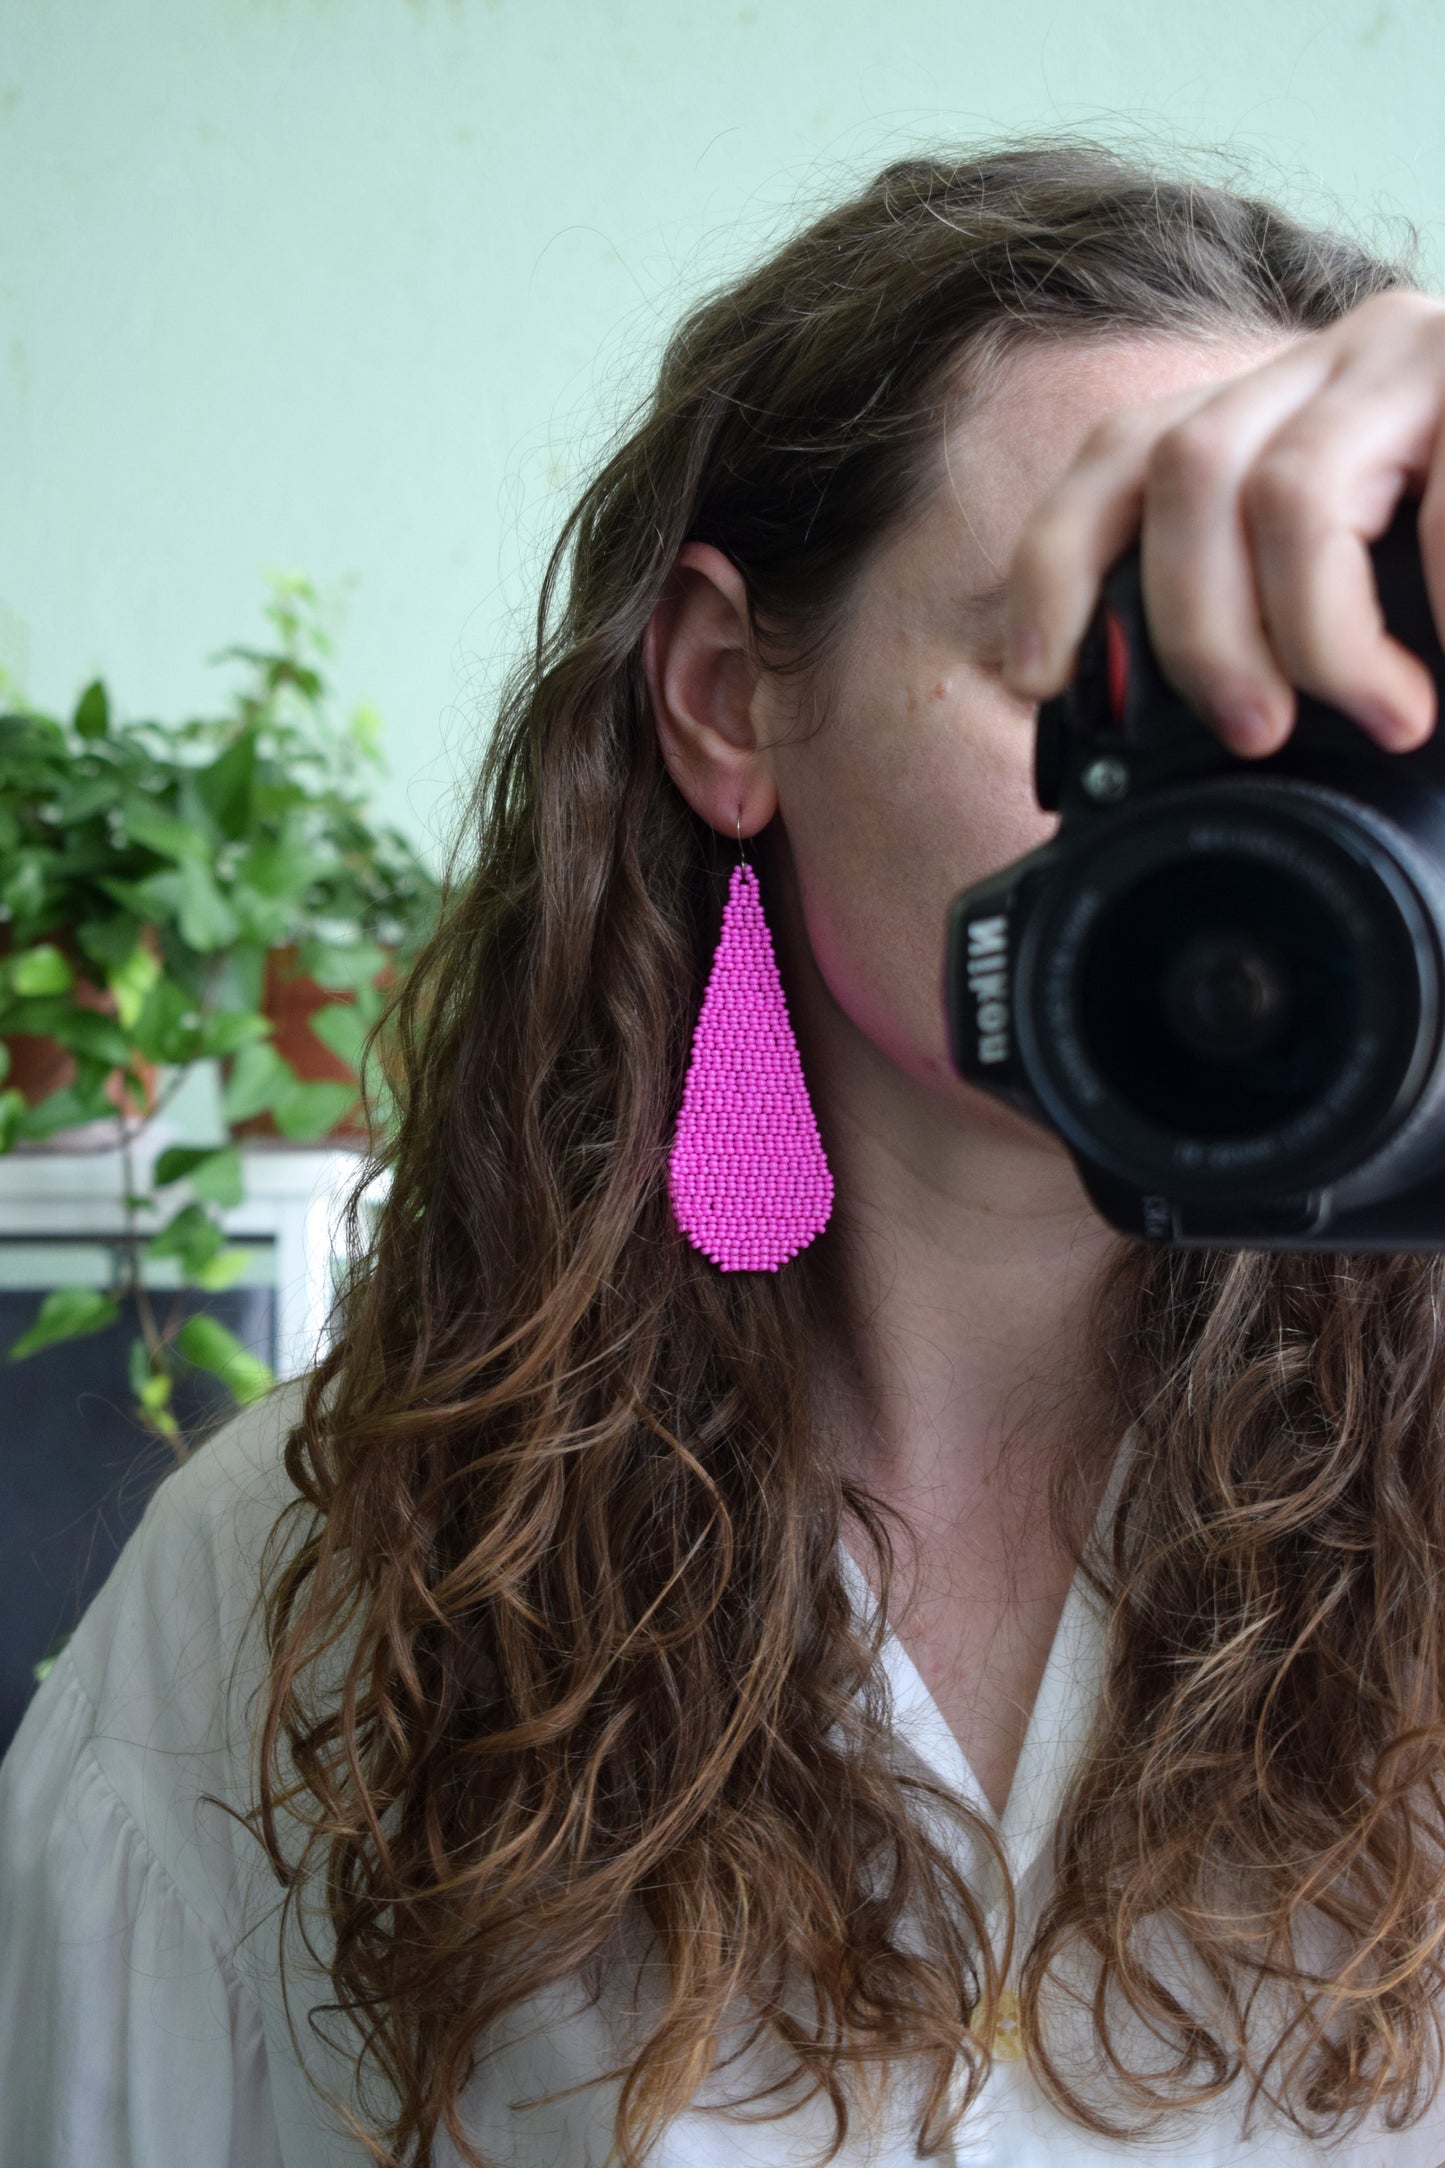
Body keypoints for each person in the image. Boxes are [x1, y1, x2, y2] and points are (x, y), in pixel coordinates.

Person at [5, 136, 1445, 2168]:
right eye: (1113, 678)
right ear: (722, 697)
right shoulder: (287, 1606)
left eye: (1314, 705)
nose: (1234, 824)